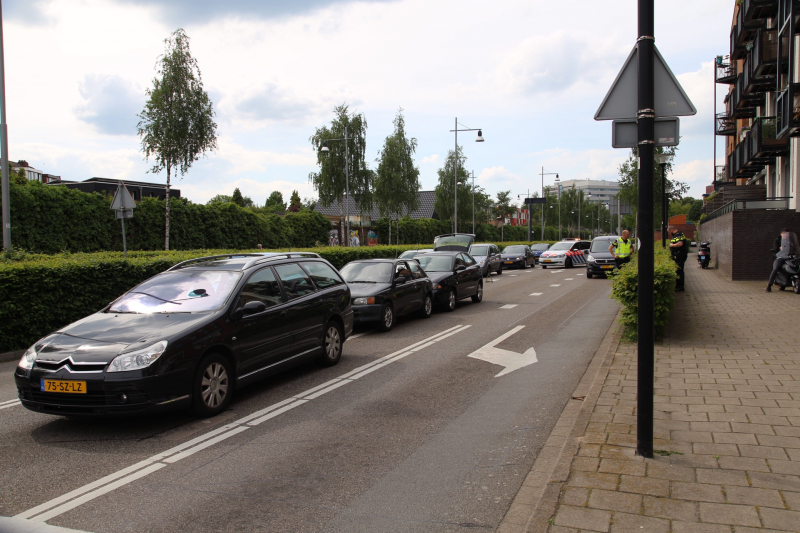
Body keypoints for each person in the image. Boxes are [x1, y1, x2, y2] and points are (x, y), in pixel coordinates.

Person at [668, 225, 689, 292]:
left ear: (671, 230)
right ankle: (678, 286)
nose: (669, 233)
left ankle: (680, 287)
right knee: (678, 271)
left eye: (669, 232)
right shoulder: (678, 234)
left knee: (679, 271)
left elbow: (680, 244)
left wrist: (671, 245)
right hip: (679, 255)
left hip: (679, 255)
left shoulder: (678, 235)